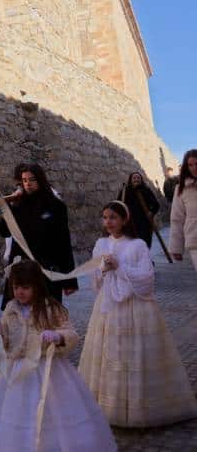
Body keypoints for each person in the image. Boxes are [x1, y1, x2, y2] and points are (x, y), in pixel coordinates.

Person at [0, 260, 125, 452]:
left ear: (37, 287)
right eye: (16, 287)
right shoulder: (10, 309)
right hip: (18, 375)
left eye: (25, 287)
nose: (20, 292)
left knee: (55, 426)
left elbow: (72, 334)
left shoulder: (50, 308)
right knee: (18, 428)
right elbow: (6, 344)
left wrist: (58, 336)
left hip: (49, 373)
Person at [79, 201, 197, 427]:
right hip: (109, 308)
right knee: (110, 353)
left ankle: (139, 407)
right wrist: (103, 269)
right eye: (105, 217)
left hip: (136, 309)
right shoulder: (101, 244)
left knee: (135, 354)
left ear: (124, 219)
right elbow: (95, 281)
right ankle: (109, 405)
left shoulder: (138, 245)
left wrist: (119, 266)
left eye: (113, 217)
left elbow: (147, 279)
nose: (108, 222)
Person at [0, 164, 78, 308]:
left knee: (46, 318)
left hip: (46, 271)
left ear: (40, 179)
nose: (28, 184)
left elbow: (63, 243)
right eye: (24, 180)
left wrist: (69, 280)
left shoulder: (55, 206)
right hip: (21, 270)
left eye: (32, 179)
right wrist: (8, 207)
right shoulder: (18, 205)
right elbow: (4, 232)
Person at [117, 171, 160, 248]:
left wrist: (151, 212)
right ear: (130, 180)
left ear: (141, 180)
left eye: (138, 178)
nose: (136, 179)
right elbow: (118, 206)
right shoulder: (125, 191)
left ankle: (145, 258)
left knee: (144, 244)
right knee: (132, 245)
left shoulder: (146, 190)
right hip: (129, 224)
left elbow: (156, 205)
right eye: (134, 178)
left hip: (144, 224)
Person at [170, 149, 197, 270]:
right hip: (195, 241)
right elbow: (177, 219)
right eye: (190, 165)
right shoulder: (181, 189)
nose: (194, 168)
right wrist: (176, 248)